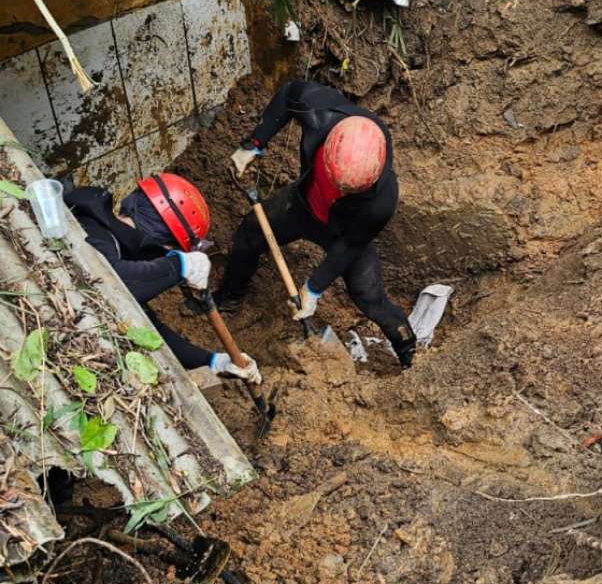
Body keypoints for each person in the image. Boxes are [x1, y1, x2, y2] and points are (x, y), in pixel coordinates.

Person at [219, 80, 416, 368]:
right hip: (302, 206)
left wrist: (312, 289)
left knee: (369, 296)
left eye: (348, 191)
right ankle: (229, 296)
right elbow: (287, 94)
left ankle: (409, 350)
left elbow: (350, 246)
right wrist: (254, 144)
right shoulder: (321, 110)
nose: (341, 192)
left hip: (343, 232)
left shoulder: (381, 201)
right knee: (250, 233)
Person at [65, 173, 261, 381]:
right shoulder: (89, 228)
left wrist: (213, 362)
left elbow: (150, 328)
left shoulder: (109, 239)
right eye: (171, 250)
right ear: (158, 239)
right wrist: (178, 266)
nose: (164, 256)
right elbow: (112, 287)